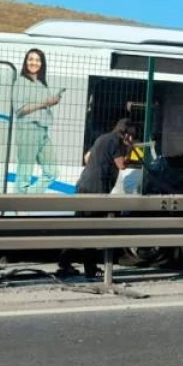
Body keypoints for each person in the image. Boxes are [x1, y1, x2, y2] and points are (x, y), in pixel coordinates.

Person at [56, 118, 134, 279]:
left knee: (79, 227)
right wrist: (130, 149)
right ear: (125, 135)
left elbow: (87, 157)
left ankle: (64, 263)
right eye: (132, 136)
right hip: (96, 189)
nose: (133, 139)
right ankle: (90, 268)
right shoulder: (116, 141)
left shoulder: (102, 138)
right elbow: (122, 165)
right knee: (92, 228)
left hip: (84, 186)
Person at [13, 48, 61, 194]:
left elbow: (43, 105)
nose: (34, 62)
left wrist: (52, 101)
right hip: (28, 129)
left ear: (42, 63)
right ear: (25, 62)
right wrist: (45, 102)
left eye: (37, 60)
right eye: (30, 59)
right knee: (24, 175)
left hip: (43, 131)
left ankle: (27, 198)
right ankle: (19, 206)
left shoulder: (42, 84)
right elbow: (19, 109)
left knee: (52, 172)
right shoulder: (21, 82)